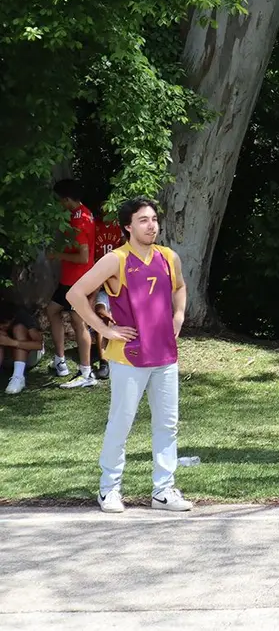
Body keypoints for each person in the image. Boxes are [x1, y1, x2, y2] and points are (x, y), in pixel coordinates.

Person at [66, 197, 194, 513]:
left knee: (167, 424)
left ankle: (163, 491)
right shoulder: (117, 260)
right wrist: (104, 330)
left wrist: (178, 316)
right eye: (143, 220)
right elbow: (75, 294)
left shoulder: (168, 257)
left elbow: (180, 287)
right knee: (121, 423)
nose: (151, 225)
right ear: (128, 226)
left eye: (153, 219)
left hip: (165, 354)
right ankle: (109, 489)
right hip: (129, 356)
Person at [46, 179, 96, 387]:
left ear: (66, 199)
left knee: (78, 322)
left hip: (80, 281)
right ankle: (60, 361)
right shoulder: (83, 212)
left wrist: (58, 254)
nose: (59, 203)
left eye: (60, 200)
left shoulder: (79, 221)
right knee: (52, 310)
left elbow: (83, 257)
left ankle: (86, 373)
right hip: (69, 280)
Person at [88, 206, 125, 380]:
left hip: (115, 278)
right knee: (103, 318)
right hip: (98, 275)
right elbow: (100, 306)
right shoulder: (94, 225)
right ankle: (105, 363)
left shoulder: (119, 227)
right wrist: (107, 316)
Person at [0, 302, 45, 395]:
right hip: (5, 359)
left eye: (4, 325)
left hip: (28, 358)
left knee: (19, 329)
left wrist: (12, 342)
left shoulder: (23, 318)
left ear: (11, 319)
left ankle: (18, 377)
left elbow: (39, 345)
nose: (2, 327)